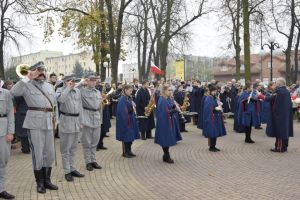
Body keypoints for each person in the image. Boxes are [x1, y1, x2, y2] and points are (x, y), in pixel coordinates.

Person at [10, 61, 59, 194]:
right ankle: (40, 182)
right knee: (37, 153)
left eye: (43, 69)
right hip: (35, 123)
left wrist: (57, 120)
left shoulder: (49, 86)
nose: (41, 72)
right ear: (32, 71)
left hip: (49, 122)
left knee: (49, 153)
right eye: (38, 70)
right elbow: (13, 92)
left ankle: (47, 180)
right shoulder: (26, 85)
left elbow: (54, 105)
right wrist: (27, 78)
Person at [56, 74, 85, 182]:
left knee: (73, 148)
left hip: (76, 121)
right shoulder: (59, 90)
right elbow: (61, 100)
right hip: (66, 120)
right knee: (65, 149)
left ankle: (73, 169)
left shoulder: (77, 91)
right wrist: (68, 88)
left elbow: (80, 107)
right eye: (70, 81)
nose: (72, 83)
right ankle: (67, 171)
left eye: (73, 81)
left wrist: (81, 121)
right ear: (65, 81)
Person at [258, 78, 294, 152]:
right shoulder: (286, 91)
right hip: (285, 114)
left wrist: (260, 95)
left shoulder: (280, 92)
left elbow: (270, 98)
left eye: (276, 82)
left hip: (280, 115)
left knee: (280, 131)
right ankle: (283, 147)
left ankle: (279, 148)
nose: (275, 83)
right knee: (284, 131)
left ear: (279, 84)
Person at [77, 73, 102, 171]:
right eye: (91, 80)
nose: (93, 82)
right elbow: (74, 88)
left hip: (96, 118)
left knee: (95, 142)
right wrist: (81, 82)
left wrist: (100, 119)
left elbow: (100, 107)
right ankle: (88, 162)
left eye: (94, 80)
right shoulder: (81, 91)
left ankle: (93, 160)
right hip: (86, 118)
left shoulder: (97, 92)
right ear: (87, 81)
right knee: (86, 142)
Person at [155, 85, 182, 164]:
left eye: (171, 90)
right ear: (164, 91)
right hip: (164, 122)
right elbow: (165, 112)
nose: (170, 92)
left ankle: (166, 155)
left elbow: (169, 106)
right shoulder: (162, 99)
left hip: (169, 121)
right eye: (169, 90)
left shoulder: (169, 98)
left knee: (168, 138)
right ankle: (166, 155)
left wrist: (174, 106)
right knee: (165, 138)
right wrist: (175, 109)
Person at [116, 84, 140, 158]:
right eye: (130, 91)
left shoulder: (129, 98)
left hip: (131, 119)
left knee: (131, 136)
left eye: (131, 90)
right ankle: (125, 152)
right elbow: (121, 111)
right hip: (126, 121)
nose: (131, 92)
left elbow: (132, 107)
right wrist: (128, 114)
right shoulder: (122, 99)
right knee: (126, 136)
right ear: (125, 90)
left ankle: (129, 150)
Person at [0, 84, 15, 199]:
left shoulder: (6, 93)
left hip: (3, 129)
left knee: (3, 161)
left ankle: (1, 189)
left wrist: (10, 132)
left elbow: (10, 113)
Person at [203, 85, 226, 152]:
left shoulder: (214, 97)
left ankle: (214, 146)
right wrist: (215, 109)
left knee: (215, 132)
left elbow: (215, 104)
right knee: (212, 132)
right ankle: (211, 147)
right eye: (213, 91)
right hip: (211, 118)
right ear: (210, 91)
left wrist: (219, 105)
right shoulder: (208, 98)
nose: (215, 92)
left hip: (215, 117)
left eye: (215, 91)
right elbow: (207, 109)